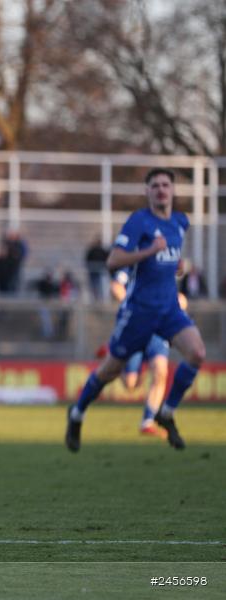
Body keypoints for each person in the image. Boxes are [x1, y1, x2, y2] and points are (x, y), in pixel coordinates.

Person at [66, 168, 206, 451]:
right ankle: (77, 412)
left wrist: (175, 265)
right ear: (147, 192)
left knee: (197, 353)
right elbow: (113, 261)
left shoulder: (180, 222)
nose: (161, 189)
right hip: (139, 311)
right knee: (110, 371)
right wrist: (150, 251)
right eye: (155, 185)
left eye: (166, 185)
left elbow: (171, 260)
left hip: (168, 309)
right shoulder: (139, 221)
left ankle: (165, 413)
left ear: (173, 190)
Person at [108, 267, 187, 439]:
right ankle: (112, 356)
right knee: (130, 384)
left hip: (158, 330)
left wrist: (179, 302)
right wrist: (134, 309)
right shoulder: (132, 262)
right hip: (136, 327)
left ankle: (148, 422)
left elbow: (179, 297)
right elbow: (115, 286)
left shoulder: (167, 262)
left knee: (161, 372)